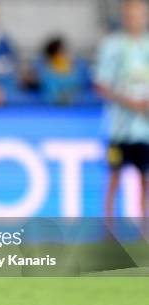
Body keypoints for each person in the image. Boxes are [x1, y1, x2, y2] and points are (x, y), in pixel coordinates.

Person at [95, 0, 149, 218]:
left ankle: (144, 230)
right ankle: (108, 229)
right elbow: (101, 83)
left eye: (138, 14)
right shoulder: (112, 45)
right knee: (114, 178)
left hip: (144, 129)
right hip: (119, 127)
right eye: (130, 15)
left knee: (145, 179)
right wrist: (127, 101)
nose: (134, 19)